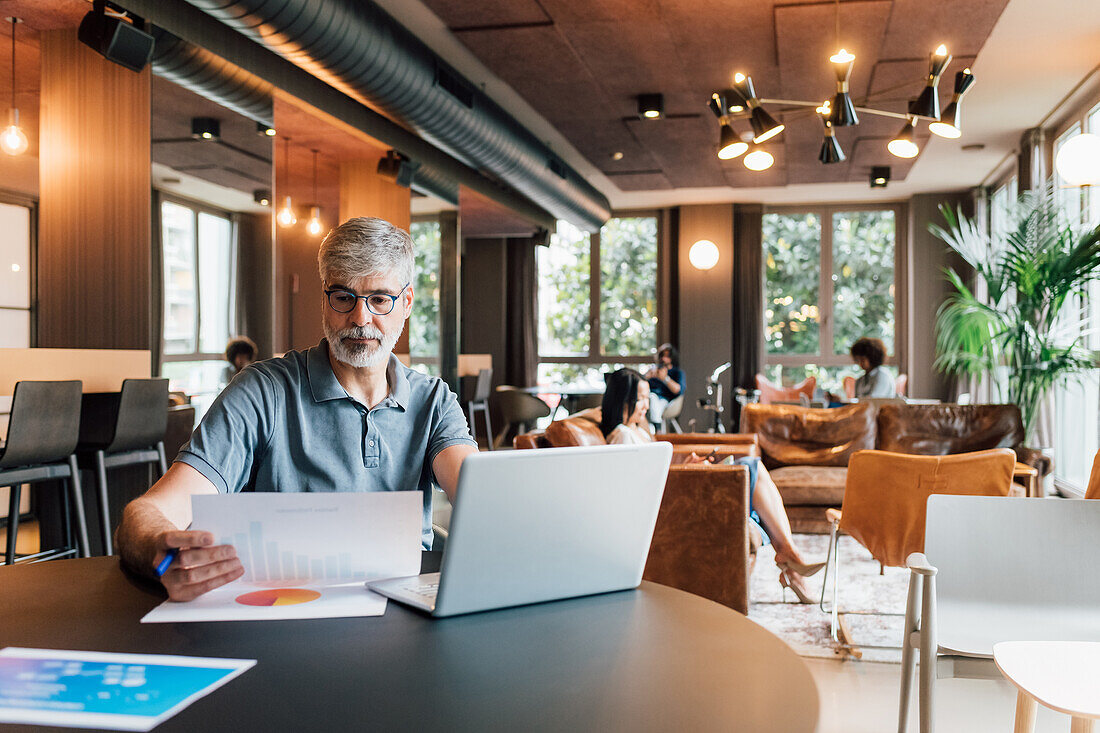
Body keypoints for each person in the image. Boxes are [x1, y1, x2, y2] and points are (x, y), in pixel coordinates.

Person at [116, 217, 478, 601]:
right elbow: (147, 513)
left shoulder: (433, 400)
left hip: (404, 614)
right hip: (284, 610)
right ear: (324, 299)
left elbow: (480, 500)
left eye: (379, 299)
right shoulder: (262, 391)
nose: (360, 319)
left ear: (405, 303)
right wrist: (162, 555)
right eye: (343, 297)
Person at [600, 368, 825, 602]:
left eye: (648, 398)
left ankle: (788, 556)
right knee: (751, 467)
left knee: (752, 469)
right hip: (668, 502)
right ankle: (789, 556)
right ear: (624, 399)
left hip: (672, 490)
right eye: (641, 399)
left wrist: (687, 465)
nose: (647, 405)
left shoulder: (638, 430)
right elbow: (638, 488)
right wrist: (684, 470)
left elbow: (653, 473)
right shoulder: (622, 436)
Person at [643, 343, 685, 429]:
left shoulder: (677, 372)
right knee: (651, 398)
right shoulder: (652, 371)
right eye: (662, 356)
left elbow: (678, 390)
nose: (663, 359)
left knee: (653, 398)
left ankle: (657, 428)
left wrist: (665, 378)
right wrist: (646, 377)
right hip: (648, 398)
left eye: (667, 356)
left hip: (666, 401)